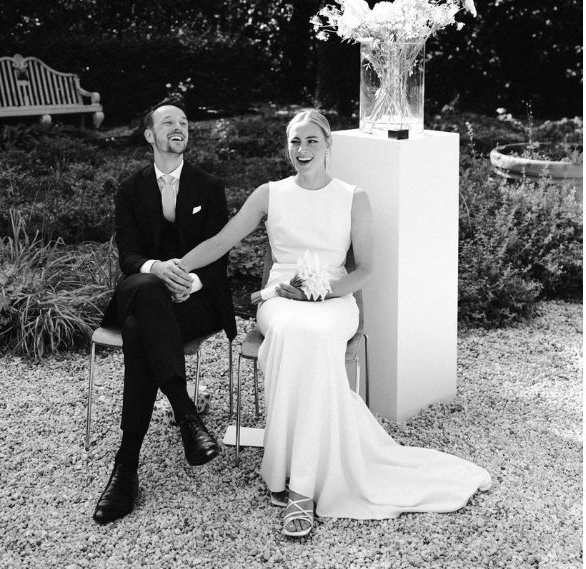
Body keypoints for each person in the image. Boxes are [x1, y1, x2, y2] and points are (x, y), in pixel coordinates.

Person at [175, 109, 491, 537]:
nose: (302, 151)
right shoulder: (270, 193)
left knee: (315, 334)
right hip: (280, 302)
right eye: (294, 142)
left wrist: (320, 293)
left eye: (311, 142)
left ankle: (298, 483)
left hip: (333, 302)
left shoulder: (352, 196)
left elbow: (366, 271)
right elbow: (220, 241)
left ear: (328, 146)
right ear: (287, 147)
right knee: (290, 331)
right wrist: (170, 268)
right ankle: (290, 466)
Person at [92, 101, 236, 524]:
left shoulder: (208, 186)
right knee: (145, 290)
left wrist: (187, 281)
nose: (179, 127)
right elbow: (130, 257)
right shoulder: (130, 189)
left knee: (138, 331)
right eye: (168, 122)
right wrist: (160, 272)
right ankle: (185, 415)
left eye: (184, 123)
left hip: (196, 300)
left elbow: (219, 254)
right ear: (149, 136)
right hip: (146, 287)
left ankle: (126, 465)